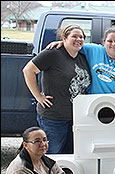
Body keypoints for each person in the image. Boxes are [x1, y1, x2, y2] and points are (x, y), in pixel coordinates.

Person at [23, 24, 91, 155]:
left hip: (75, 119)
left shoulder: (82, 56)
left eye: (81, 37)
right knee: (52, 154)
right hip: (54, 118)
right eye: (74, 36)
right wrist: (38, 96)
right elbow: (28, 70)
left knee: (70, 157)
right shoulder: (53, 53)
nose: (78, 39)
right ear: (64, 38)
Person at [47, 27, 115, 96]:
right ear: (104, 42)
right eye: (110, 41)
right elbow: (75, 45)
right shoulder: (94, 50)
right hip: (92, 104)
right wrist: (63, 42)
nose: (113, 44)